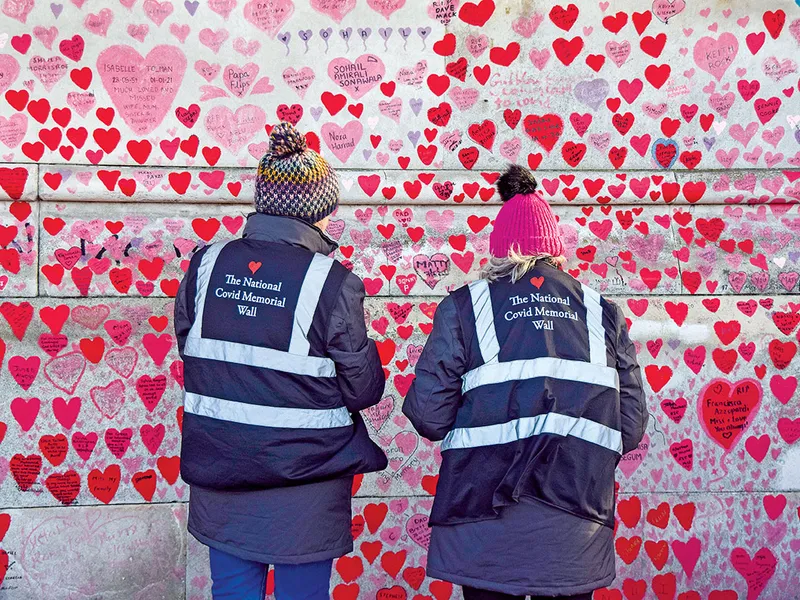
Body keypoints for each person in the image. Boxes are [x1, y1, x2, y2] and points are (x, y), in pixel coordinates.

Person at [402, 164, 648, 600]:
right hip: (576, 524)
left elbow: (429, 416)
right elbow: (629, 427)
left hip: (483, 526)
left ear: (499, 253)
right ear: (556, 253)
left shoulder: (464, 308)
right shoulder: (601, 312)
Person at [174, 122, 388, 600]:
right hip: (306, 482)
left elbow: (192, 348)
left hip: (222, 468)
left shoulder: (205, 265)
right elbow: (364, 389)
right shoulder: (333, 283)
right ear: (322, 211)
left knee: (231, 592)